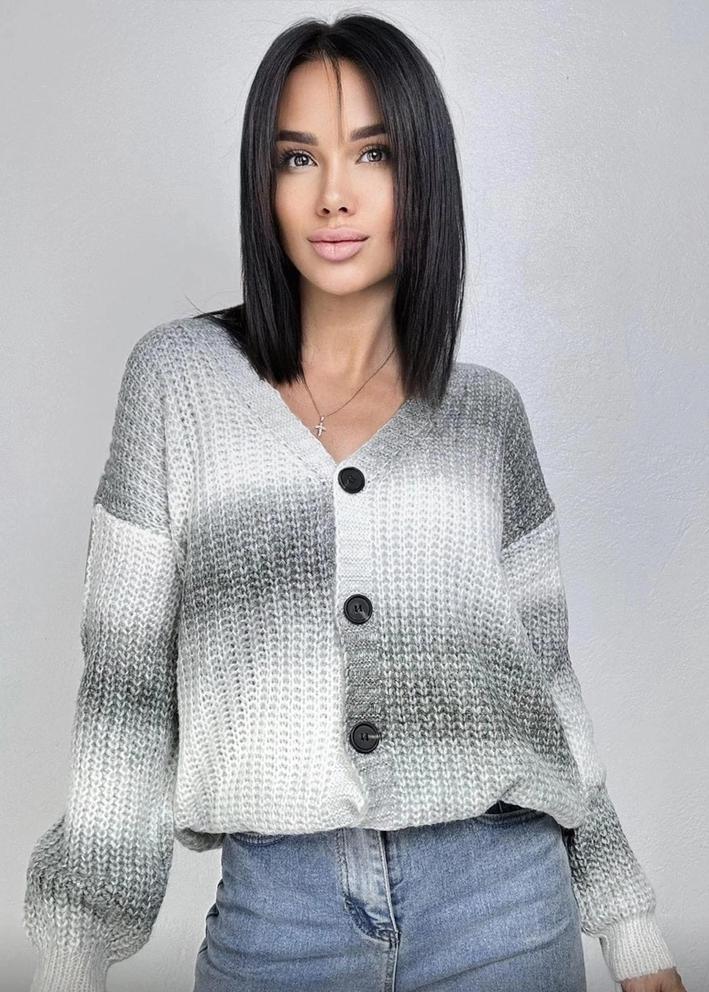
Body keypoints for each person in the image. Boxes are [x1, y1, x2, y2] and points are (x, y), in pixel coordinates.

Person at [22, 13, 685, 992]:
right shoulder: (177, 382)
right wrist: (73, 954)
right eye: (297, 158)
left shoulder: (485, 414)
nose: (333, 193)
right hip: (279, 915)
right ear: (263, 184)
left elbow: (548, 685)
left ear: (422, 174)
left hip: (504, 903)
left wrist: (629, 927)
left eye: (373, 153)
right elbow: (124, 687)